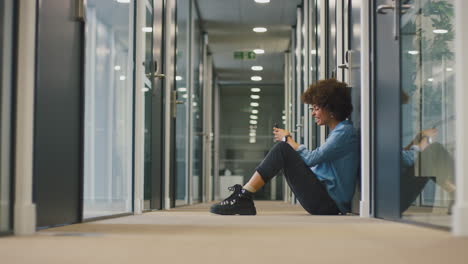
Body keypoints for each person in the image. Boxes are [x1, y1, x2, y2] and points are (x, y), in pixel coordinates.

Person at [210, 79, 360, 215]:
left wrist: (288, 139)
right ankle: (244, 195)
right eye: (312, 109)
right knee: (283, 148)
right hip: (323, 199)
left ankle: (244, 196)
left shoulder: (344, 133)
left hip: (329, 203)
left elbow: (311, 159)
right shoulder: (339, 132)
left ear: (331, 108)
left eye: (316, 108)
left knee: (282, 148)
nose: (313, 113)